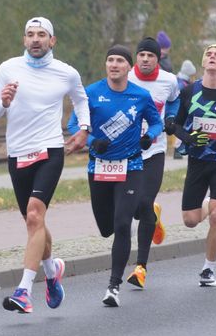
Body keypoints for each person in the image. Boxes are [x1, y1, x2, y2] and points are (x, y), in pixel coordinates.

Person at [0, 17, 90, 314]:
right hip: (18, 152)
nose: (35, 39)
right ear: (24, 40)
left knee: (35, 215)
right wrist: (2, 102)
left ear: (52, 41)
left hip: (49, 149)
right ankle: (51, 270)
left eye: (42, 35)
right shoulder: (7, 69)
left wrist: (83, 128)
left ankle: (23, 291)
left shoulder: (66, 73)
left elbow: (81, 101)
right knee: (34, 222)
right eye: (30, 35)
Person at [67, 45, 162, 306]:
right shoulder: (91, 93)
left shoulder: (140, 96)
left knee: (122, 225)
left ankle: (113, 286)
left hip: (130, 166)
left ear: (128, 67)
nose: (114, 64)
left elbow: (157, 122)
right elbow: (74, 124)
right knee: (106, 228)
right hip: (98, 166)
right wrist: (92, 139)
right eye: (110, 60)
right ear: (106, 65)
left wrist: (148, 137)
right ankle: (136, 211)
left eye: (120, 60)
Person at [165, 44, 216, 287]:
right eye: (208, 55)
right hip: (198, 161)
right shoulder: (189, 92)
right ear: (203, 62)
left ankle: (208, 270)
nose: (212, 57)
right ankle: (205, 205)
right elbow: (175, 125)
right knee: (190, 220)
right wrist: (187, 138)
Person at [125, 37, 180, 290]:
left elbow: (175, 99)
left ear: (158, 59)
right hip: (126, 151)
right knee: (134, 209)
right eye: (141, 55)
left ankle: (141, 268)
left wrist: (170, 117)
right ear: (136, 58)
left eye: (150, 55)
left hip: (154, 150)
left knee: (144, 202)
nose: (145, 59)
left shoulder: (168, 80)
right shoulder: (126, 77)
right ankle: (154, 216)